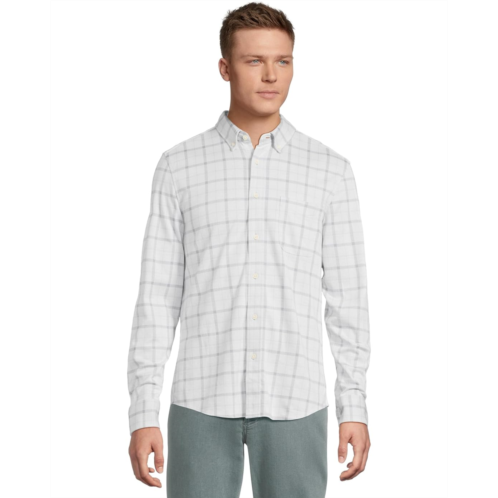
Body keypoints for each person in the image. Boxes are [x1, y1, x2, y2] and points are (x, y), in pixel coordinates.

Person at [127, 2, 371, 496]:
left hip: (296, 402)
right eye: (254, 60)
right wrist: (143, 412)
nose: (270, 75)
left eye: (283, 61)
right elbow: (157, 298)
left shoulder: (330, 171)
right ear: (225, 67)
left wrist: (355, 406)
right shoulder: (178, 167)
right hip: (201, 401)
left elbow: (349, 301)